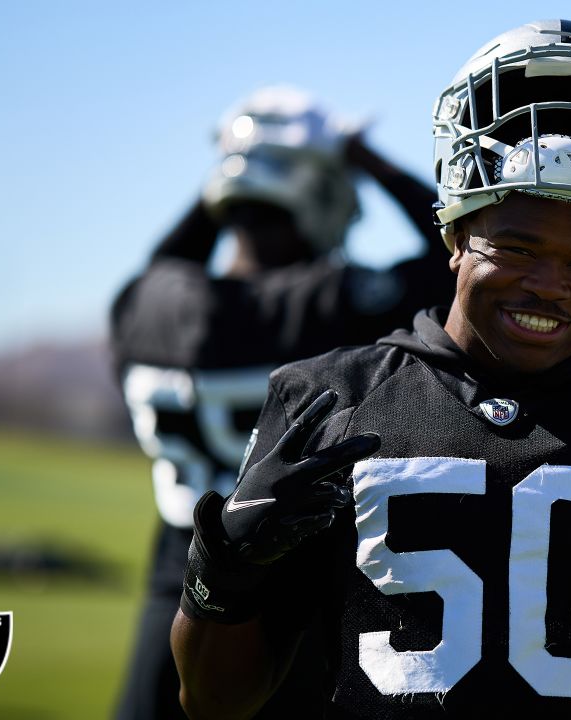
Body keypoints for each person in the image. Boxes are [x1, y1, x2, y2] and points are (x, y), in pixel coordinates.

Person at [170, 19, 571, 719]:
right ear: (455, 234)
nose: (550, 284)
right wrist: (223, 577)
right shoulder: (328, 400)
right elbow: (214, 701)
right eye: (516, 248)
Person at [110, 86, 454, 719]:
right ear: (316, 192)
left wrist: (232, 172)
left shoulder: (146, 303)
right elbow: (455, 256)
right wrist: (369, 161)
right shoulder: (329, 302)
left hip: (177, 587)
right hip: (289, 600)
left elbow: (166, 262)